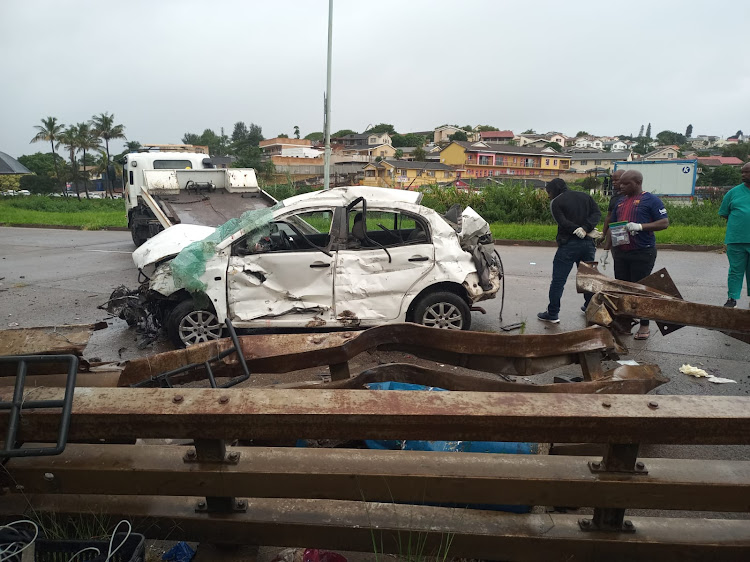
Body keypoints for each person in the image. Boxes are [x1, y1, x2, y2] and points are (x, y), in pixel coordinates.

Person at [610, 170, 669, 339]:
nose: (621, 186)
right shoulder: (620, 202)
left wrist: (641, 227)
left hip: (642, 251)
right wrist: (607, 249)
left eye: (625, 183)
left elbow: (664, 223)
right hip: (621, 252)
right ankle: (625, 323)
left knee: (640, 289)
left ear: (637, 182)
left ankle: (644, 326)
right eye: (620, 183)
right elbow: (614, 225)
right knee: (623, 289)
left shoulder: (651, 200)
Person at [537, 178, 601, 324]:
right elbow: (597, 213)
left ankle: (552, 313)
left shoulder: (556, 202)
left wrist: (577, 229)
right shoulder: (585, 196)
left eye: (549, 192)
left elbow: (562, 221)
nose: (548, 196)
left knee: (558, 281)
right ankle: (590, 307)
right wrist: (586, 227)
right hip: (588, 244)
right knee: (588, 278)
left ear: (555, 190)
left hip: (568, 244)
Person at [718, 162, 750, 308]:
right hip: (736, 239)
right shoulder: (733, 192)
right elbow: (724, 213)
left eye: (747, 172)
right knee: (735, 270)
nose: (743, 175)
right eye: (742, 172)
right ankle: (732, 298)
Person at [601, 169, 625, 250]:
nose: (614, 182)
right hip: (616, 231)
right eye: (612, 180)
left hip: (630, 231)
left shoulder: (631, 196)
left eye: (616, 180)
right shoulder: (614, 197)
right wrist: (603, 234)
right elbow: (609, 217)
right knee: (618, 256)